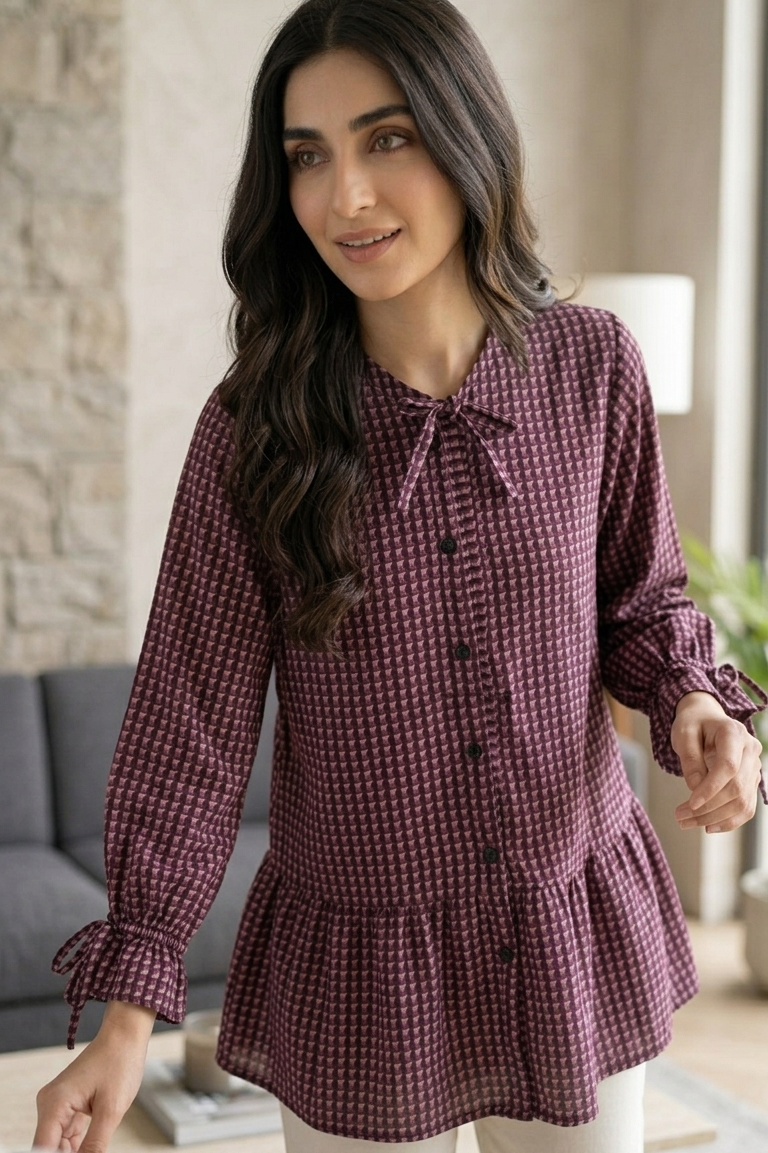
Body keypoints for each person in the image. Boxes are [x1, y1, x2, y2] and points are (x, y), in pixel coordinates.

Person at [34, 0, 768, 1151]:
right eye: (307, 157)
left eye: (388, 138)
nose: (347, 198)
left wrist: (692, 703)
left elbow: (639, 600)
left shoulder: (591, 367)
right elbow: (192, 721)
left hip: (563, 919)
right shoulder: (253, 433)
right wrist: (131, 1008)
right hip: (364, 972)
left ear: (463, 131)